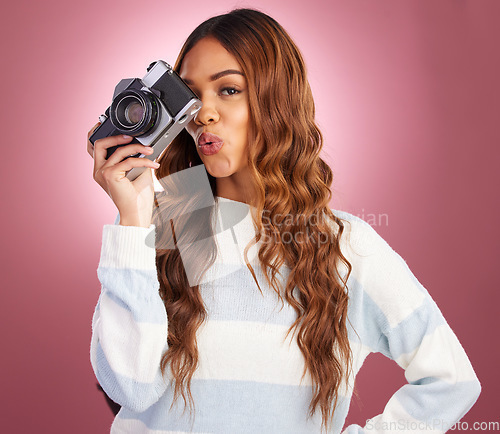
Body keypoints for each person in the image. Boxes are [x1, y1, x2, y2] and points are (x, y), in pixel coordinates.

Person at [87, 8, 481, 433]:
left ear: (277, 98)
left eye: (230, 90)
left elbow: (450, 380)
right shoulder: (158, 224)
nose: (203, 114)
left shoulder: (345, 247)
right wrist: (133, 217)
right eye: (192, 97)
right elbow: (129, 389)